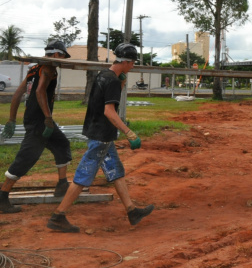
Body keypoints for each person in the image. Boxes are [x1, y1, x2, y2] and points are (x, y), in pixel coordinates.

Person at [46, 43, 153, 232]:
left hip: (98, 132)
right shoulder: (111, 81)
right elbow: (109, 111)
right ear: (127, 61)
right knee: (83, 175)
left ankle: (132, 211)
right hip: (101, 136)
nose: (133, 66)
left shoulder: (104, 75)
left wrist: (121, 80)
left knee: (115, 171)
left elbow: (103, 100)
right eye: (133, 62)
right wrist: (129, 133)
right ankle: (58, 216)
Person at [0, 41, 73, 214]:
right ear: (56, 55)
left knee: (62, 144)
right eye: (62, 56)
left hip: (35, 119)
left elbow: (18, 93)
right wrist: (48, 118)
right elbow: (40, 92)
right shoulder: (49, 69)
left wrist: (12, 118)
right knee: (27, 157)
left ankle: (62, 184)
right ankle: (2, 197)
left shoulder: (34, 69)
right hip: (40, 122)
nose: (62, 60)